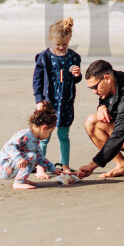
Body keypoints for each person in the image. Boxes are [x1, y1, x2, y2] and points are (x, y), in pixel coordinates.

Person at [32, 17, 81, 175]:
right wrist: (39, 100)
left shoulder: (73, 57)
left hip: (65, 102)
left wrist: (77, 74)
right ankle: (40, 166)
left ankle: (65, 167)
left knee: (63, 135)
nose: (61, 47)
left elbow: (77, 79)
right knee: (44, 136)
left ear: (69, 40)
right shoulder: (44, 57)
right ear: (50, 39)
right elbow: (37, 81)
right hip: (48, 102)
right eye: (58, 44)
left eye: (64, 44)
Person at [0, 102, 65, 189]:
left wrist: (53, 169)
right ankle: (18, 182)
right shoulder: (25, 135)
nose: (49, 135)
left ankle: (22, 179)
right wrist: (18, 159)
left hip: (12, 166)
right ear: (44, 128)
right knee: (31, 156)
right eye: (50, 132)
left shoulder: (35, 140)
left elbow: (40, 158)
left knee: (34, 156)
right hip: (4, 168)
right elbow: (9, 146)